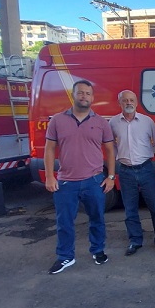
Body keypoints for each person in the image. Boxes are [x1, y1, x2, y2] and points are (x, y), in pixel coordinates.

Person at [45, 80, 115, 274]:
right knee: (64, 222)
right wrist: (50, 176)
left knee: (97, 218)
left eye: (87, 93)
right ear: (73, 95)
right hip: (66, 182)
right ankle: (65, 256)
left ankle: (98, 250)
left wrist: (110, 176)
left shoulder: (101, 122)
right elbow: (49, 149)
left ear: (92, 98)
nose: (84, 96)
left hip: (94, 180)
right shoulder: (57, 120)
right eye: (80, 93)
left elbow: (110, 150)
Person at [109, 90, 155, 256]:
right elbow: (110, 146)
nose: (129, 103)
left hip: (146, 169)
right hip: (125, 171)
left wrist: (150, 154)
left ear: (136, 102)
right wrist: (119, 156)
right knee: (130, 209)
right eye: (125, 100)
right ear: (119, 103)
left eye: (131, 100)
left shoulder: (146, 121)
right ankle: (135, 241)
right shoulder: (113, 122)